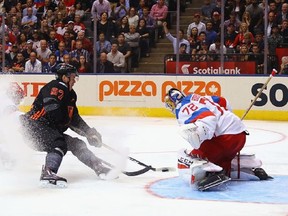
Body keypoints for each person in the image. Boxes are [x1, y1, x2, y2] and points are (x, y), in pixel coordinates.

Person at [20, 63, 115, 187]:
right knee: (58, 143)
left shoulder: (70, 94)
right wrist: (68, 122)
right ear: (65, 77)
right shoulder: (57, 86)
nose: (75, 80)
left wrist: (89, 132)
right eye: (72, 77)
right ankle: (48, 173)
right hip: (34, 129)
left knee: (76, 144)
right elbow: (53, 110)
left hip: (45, 130)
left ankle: (98, 166)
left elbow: (74, 118)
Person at [164, 88, 272, 191]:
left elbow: (208, 117)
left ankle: (210, 174)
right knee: (222, 160)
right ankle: (248, 171)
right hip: (240, 135)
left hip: (225, 140)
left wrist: (200, 136)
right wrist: (228, 120)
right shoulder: (196, 97)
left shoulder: (181, 109)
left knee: (188, 157)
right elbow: (224, 102)